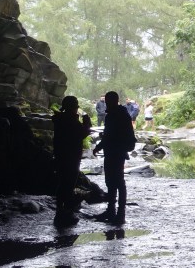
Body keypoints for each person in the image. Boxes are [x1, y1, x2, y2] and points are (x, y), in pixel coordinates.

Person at [92, 90, 135, 225]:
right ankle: (115, 211)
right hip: (118, 151)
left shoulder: (114, 115)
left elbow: (109, 135)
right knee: (113, 181)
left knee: (116, 182)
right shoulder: (122, 113)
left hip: (114, 152)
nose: (106, 104)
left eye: (107, 101)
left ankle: (118, 213)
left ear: (112, 101)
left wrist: (99, 146)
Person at [51, 95, 92, 226]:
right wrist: (87, 122)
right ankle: (66, 213)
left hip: (60, 155)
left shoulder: (60, 119)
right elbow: (81, 134)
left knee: (62, 182)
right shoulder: (70, 120)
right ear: (73, 108)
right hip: (71, 156)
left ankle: (60, 210)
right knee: (69, 184)